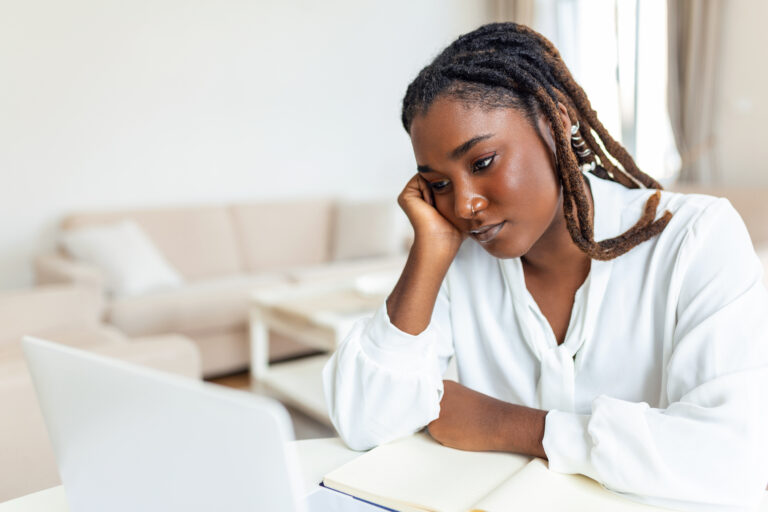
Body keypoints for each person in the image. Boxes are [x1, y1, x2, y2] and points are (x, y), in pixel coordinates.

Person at [323, 22, 768, 511]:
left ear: (557, 120)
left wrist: (510, 424)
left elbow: (736, 459)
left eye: (483, 161)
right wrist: (427, 252)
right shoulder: (459, 260)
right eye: (440, 185)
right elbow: (365, 420)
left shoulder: (694, 240)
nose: (465, 204)